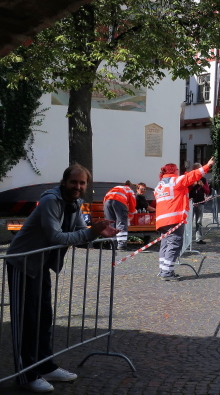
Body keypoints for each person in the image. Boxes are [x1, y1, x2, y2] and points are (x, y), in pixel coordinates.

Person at [6, 164, 118, 393]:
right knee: (27, 321)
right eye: (74, 182)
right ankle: (26, 376)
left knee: (44, 318)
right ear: (64, 182)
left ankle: (45, 367)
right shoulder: (51, 201)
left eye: (82, 183)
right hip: (22, 263)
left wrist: (96, 233)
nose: (78, 186)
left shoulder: (75, 203)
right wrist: (91, 232)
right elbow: (56, 236)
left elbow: (79, 234)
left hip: (41, 264)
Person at [154, 157, 214, 281]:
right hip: (174, 218)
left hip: (161, 220)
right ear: (174, 171)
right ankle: (167, 272)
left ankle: (163, 269)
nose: (178, 171)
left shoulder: (159, 185)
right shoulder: (176, 181)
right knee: (174, 243)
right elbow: (193, 175)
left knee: (165, 244)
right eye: (177, 169)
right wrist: (207, 166)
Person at [103, 180, 137, 250]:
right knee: (121, 222)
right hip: (119, 201)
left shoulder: (117, 188)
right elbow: (132, 204)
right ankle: (122, 244)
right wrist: (131, 215)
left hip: (107, 202)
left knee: (111, 223)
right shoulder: (129, 190)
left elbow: (105, 198)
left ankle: (113, 244)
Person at [188, 163, 211, 244]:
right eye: (199, 169)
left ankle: (199, 238)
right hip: (190, 203)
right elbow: (185, 190)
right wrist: (192, 185)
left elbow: (208, 191)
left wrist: (202, 185)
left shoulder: (203, 180)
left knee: (199, 221)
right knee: (189, 221)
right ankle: (188, 239)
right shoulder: (189, 178)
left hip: (200, 202)